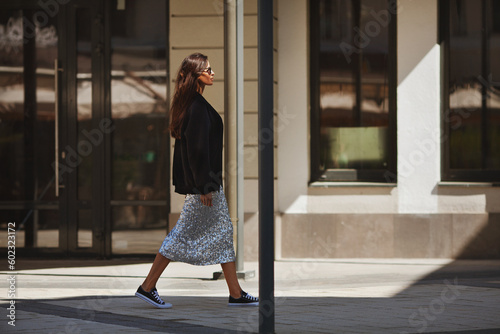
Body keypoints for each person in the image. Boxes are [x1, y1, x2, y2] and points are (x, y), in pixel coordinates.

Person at [135, 53, 258, 308]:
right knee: (180, 237)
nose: (212, 73)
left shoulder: (192, 103)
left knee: (223, 235)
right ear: (195, 74)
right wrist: (204, 187)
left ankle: (236, 294)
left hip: (207, 186)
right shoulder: (197, 108)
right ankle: (147, 287)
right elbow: (197, 151)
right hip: (205, 188)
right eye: (208, 70)